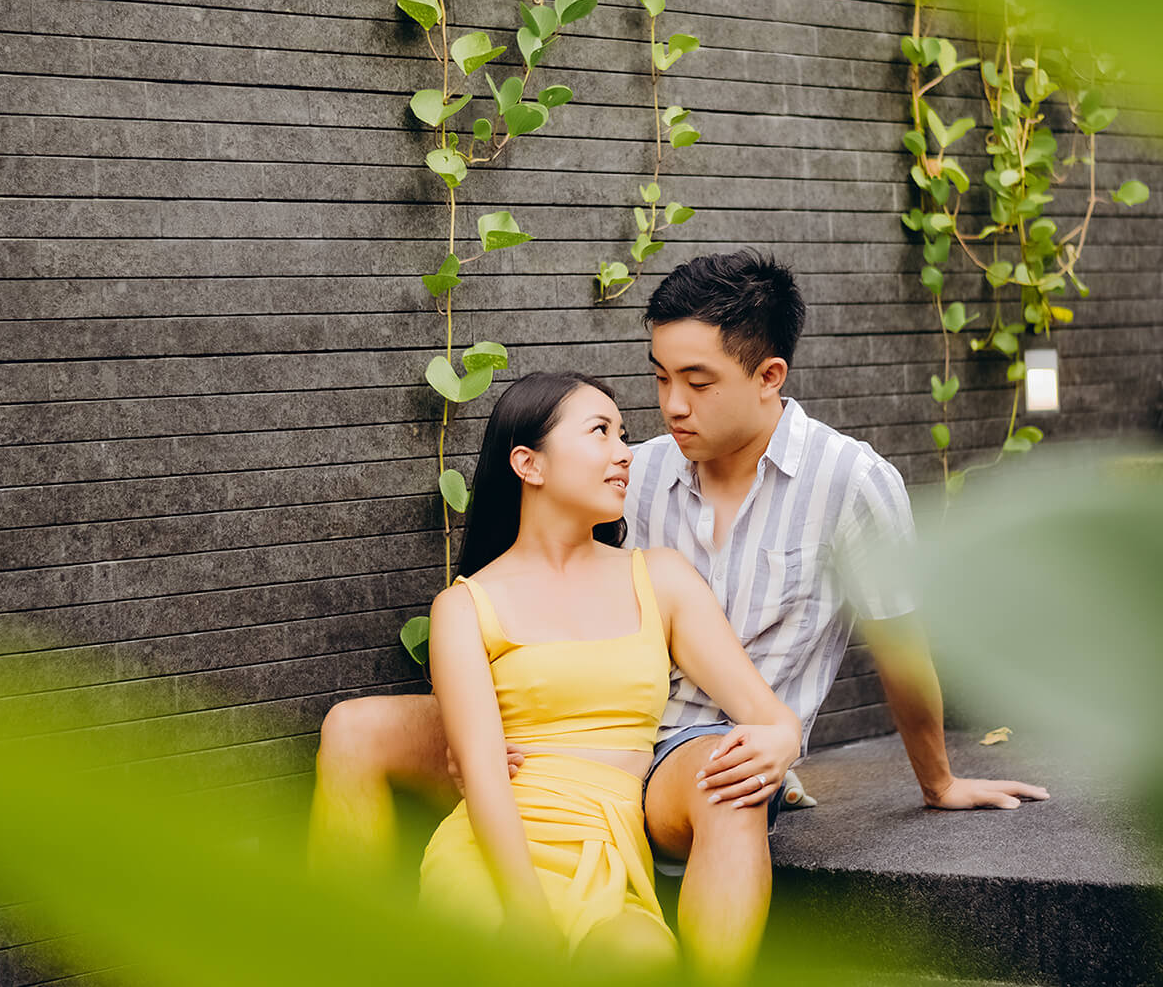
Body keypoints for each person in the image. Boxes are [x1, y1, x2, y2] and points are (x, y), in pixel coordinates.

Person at [312, 252, 1046, 975]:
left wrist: (937, 781)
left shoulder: (849, 482)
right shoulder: (637, 468)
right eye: (660, 378)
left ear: (768, 378)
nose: (671, 406)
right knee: (355, 728)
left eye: (697, 382)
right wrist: (472, 736)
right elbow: (531, 592)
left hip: (690, 747)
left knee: (727, 778)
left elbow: (899, 645)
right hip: (556, 728)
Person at [414, 369, 801, 967]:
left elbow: (768, 715)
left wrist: (782, 742)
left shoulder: (661, 577)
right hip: (499, 853)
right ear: (529, 464)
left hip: (611, 846)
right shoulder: (464, 606)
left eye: (624, 435)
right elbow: (483, 774)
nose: (625, 454)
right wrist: (525, 910)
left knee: (644, 961)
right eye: (601, 433)